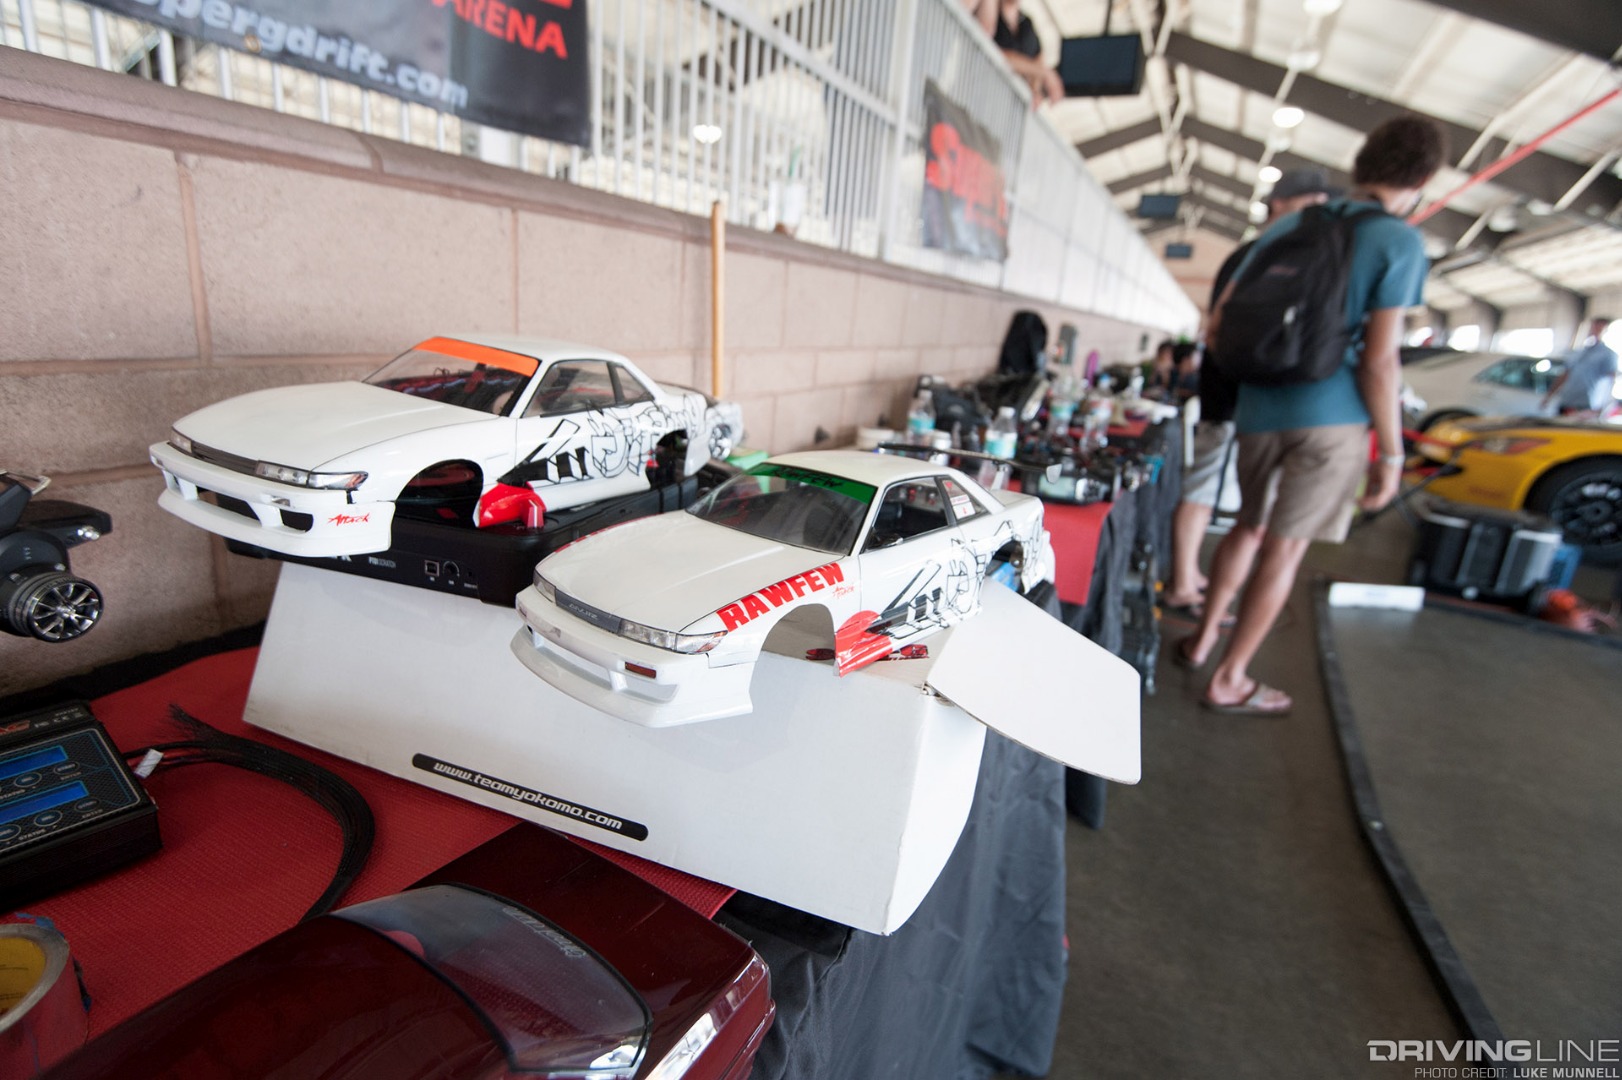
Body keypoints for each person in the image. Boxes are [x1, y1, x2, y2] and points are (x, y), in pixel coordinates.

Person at [1181, 117, 1447, 715]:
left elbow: (1217, 325)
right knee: (1285, 548)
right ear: (1422, 181)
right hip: (1333, 421)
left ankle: (1201, 640)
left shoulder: (1289, 227)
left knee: (1247, 527)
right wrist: (1392, 454)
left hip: (1259, 410)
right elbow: (1379, 362)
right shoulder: (1398, 241)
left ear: (1361, 163)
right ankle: (1230, 679)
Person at [1162, 170, 1335, 615]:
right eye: (1309, 205)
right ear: (1280, 204)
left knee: (1214, 493)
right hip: (1230, 396)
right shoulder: (1262, 255)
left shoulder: (1256, 255)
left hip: (1235, 395)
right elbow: (1221, 329)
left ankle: (1189, 576)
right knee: (1203, 489)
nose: (1316, 216)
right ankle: (1182, 582)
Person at [963, 0, 1065, 105]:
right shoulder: (991, 11)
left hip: (998, 102)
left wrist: (1035, 89)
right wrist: (1044, 72)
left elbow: (1038, 61)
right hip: (973, 89)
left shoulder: (1026, 23)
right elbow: (996, 54)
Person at [1543, 317, 1618, 417]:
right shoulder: (1578, 352)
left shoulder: (1608, 355)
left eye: (1600, 328)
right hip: (1567, 401)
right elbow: (1564, 375)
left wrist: (1605, 406)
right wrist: (1548, 396)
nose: (1595, 331)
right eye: (1594, 327)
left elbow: (1611, 380)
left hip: (1587, 406)